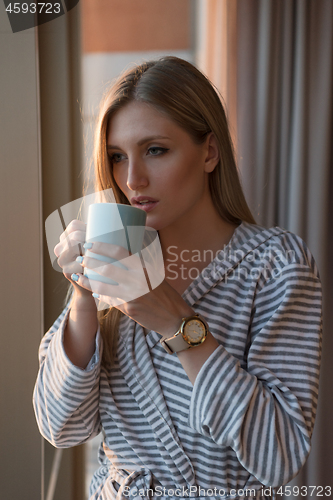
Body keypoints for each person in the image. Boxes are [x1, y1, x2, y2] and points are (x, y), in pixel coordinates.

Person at [33, 57, 322, 500]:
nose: (133, 179)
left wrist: (176, 323)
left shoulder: (276, 263)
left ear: (209, 151)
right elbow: (60, 427)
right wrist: (83, 296)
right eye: (116, 157)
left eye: (155, 150)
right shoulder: (119, 254)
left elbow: (278, 453)